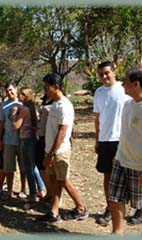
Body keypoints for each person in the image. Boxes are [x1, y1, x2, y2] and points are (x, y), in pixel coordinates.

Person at [38, 73, 88, 223]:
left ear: (56, 87)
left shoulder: (64, 105)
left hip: (59, 152)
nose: (45, 90)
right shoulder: (54, 104)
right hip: (51, 150)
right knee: (54, 181)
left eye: (47, 87)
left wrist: (51, 153)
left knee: (64, 181)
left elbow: (62, 132)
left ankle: (81, 208)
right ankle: (54, 212)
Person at [108, 67, 142, 234]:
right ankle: (117, 233)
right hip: (121, 160)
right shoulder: (128, 104)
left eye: (125, 81)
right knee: (114, 199)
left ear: (136, 84)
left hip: (140, 166)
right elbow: (125, 134)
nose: (122, 84)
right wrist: (117, 156)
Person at [93, 61, 130, 226]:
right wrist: (97, 140)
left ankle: (137, 210)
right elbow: (97, 118)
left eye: (107, 73)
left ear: (115, 72)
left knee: (131, 177)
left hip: (123, 140)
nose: (104, 77)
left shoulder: (125, 89)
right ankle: (110, 208)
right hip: (105, 141)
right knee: (107, 176)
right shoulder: (99, 92)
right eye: (101, 74)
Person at [12, 87, 46, 203]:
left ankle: (32, 193)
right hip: (32, 139)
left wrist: (14, 114)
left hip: (26, 141)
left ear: (26, 96)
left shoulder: (24, 109)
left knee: (28, 168)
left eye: (21, 94)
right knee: (33, 166)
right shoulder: (32, 108)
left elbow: (16, 126)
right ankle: (41, 189)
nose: (19, 96)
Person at [0, 83, 26, 200]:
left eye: (11, 90)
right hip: (8, 139)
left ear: (16, 89)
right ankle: (9, 190)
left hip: (22, 139)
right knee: (9, 167)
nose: (9, 93)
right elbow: (0, 122)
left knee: (23, 166)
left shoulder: (22, 103)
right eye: (7, 91)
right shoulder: (3, 105)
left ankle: (23, 189)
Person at [36, 94, 54, 200]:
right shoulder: (45, 102)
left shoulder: (56, 104)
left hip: (49, 138)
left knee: (50, 169)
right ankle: (49, 192)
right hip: (41, 137)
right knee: (41, 167)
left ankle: (55, 196)